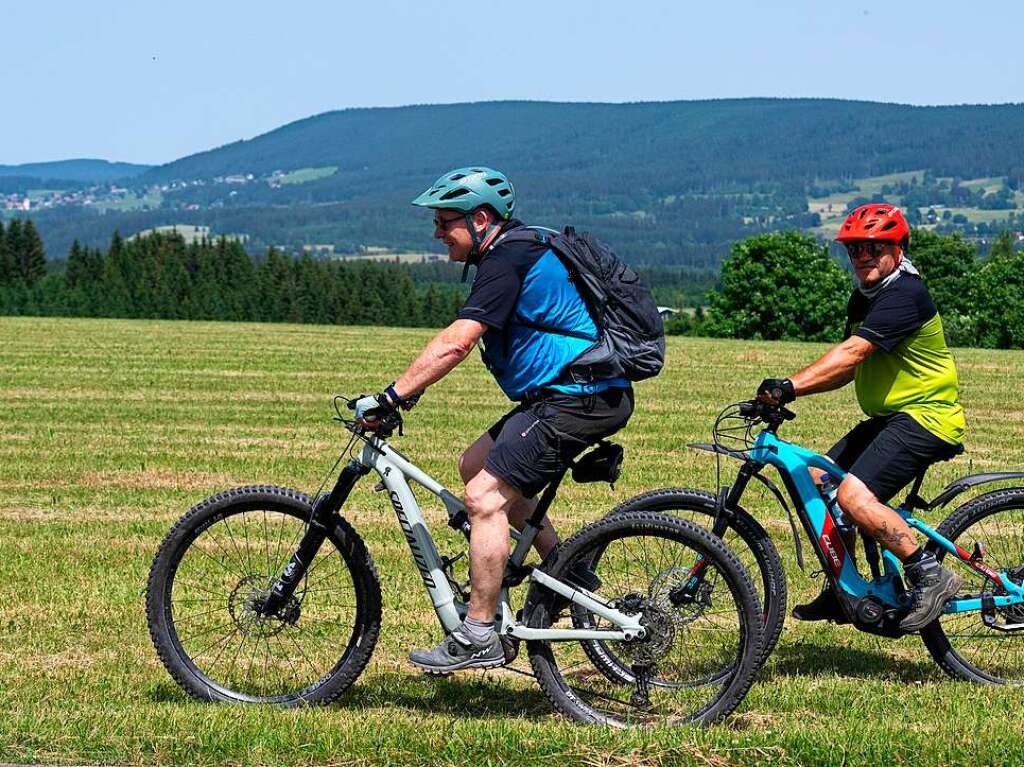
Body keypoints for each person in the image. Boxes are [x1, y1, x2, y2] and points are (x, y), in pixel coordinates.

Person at [351, 167, 634, 672]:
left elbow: (458, 340)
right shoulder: (516, 250)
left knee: (484, 496)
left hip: (576, 397)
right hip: (574, 394)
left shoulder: (507, 258)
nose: (437, 233)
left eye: (444, 222)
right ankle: (567, 574)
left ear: (480, 219)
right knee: (474, 464)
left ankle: (479, 633)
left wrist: (392, 396)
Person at [757, 203, 966, 632]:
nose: (863, 256)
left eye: (874, 246)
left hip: (926, 417)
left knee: (853, 497)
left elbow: (853, 352)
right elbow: (850, 367)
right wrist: (793, 392)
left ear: (898, 248)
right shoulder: (864, 298)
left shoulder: (905, 294)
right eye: (855, 250)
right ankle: (845, 591)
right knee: (818, 481)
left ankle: (930, 573)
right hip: (892, 417)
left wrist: (790, 386)